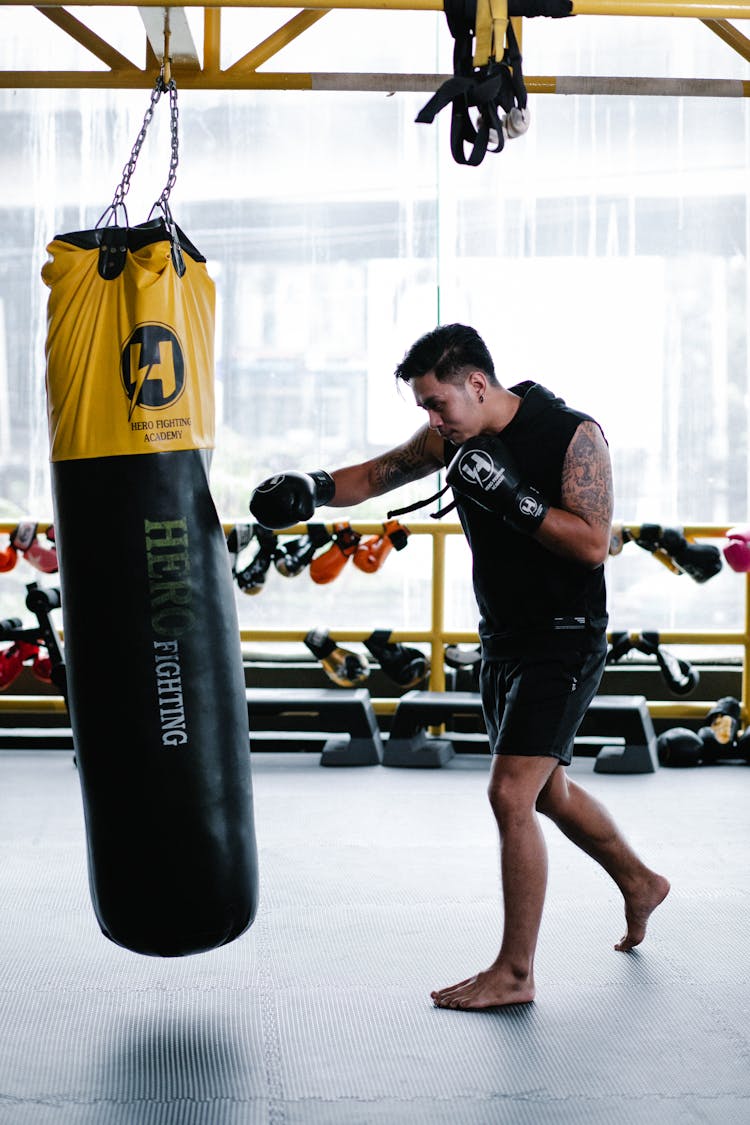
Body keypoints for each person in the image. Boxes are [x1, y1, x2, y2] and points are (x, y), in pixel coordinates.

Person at [249, 323, 670, 1010]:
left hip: (565, 637)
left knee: (510, 794)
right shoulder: (455, 437)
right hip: (504, 636)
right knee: (548, 793)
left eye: (437, 402)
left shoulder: (573, 433)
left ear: (477, 383)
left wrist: (514, 496)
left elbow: (594, 543)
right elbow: (378, 475)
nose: (432, 418)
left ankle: (516, 972)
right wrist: (311, 487)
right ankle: (640, 881)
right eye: (423, 407)